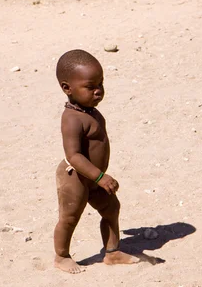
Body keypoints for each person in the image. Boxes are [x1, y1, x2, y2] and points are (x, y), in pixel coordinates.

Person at [54, 49, 139, 274]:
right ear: (67, 88)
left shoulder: (90, 111)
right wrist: (100, 176)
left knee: (111, 208)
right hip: (77, 178)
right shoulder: (72, 118)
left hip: (94, 178)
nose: (98, 91)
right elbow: (74, 155)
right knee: (70, 217)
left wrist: (99, 177)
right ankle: (62, 256)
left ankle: (112, 252)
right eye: (90, 87)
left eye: (101, 84)